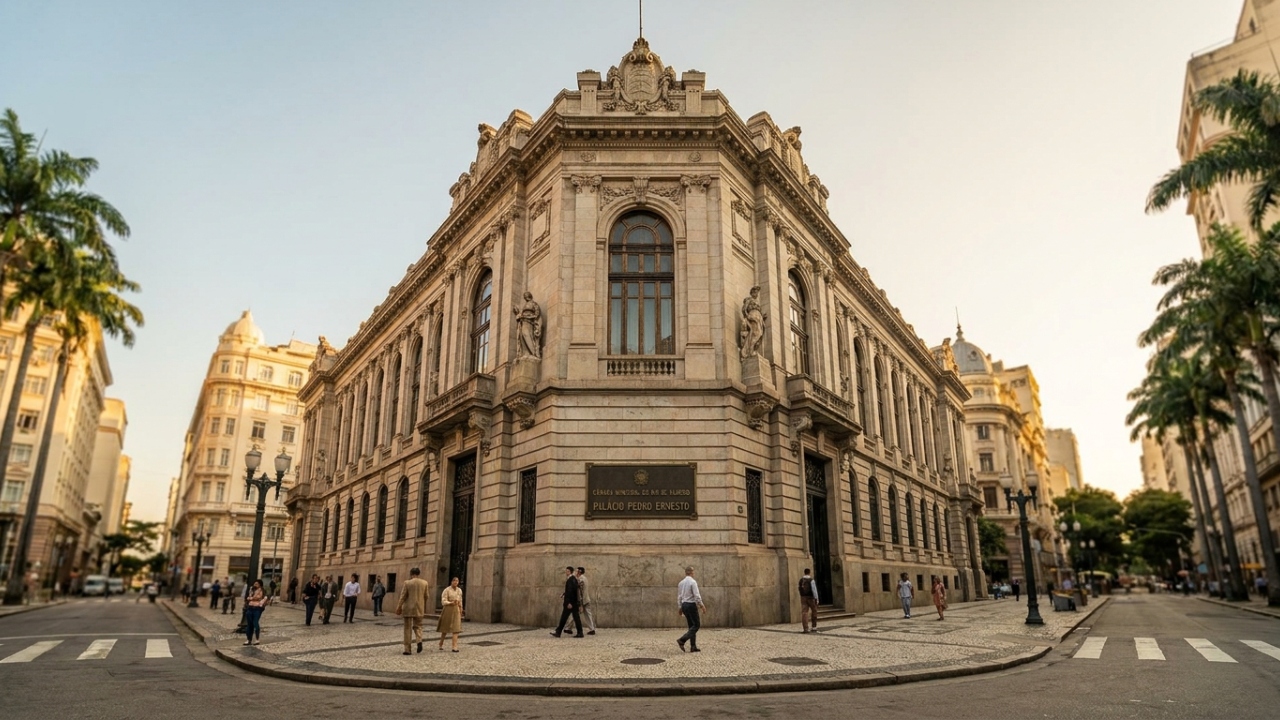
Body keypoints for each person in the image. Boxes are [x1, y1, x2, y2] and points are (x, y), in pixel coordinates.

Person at [397, 567, 430, 655]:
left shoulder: (407, 583)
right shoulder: (425, 583)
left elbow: (403, 596)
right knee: (418, 626)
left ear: (411, 574)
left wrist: (399, 607)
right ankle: (419, 640)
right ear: (418, 574)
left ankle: (407, 649)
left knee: (407, 628)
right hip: (420, 607)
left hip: (408, 608)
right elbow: (426, 596)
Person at [676, 566, 705, 652]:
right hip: (691, 605)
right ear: (692, 572)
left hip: (684, 605)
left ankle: (693, 646)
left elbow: (679, 597)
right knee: (696, 625)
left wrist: (680, 607)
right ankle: (682, 640)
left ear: (686, 573)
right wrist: (702, 605)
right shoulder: (693, 582)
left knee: (691, 626)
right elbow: (696, 596)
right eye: (693, 572)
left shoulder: (681, 583)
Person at [550, 566, 584, 638]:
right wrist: (564, 594)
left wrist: (569, 602)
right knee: (574, 617)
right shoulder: (573, 579)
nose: (566, 572)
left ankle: (559, 632)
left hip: (570, 603)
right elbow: (570, 591)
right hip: (573, 602)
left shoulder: (571, 580)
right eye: (566, 571)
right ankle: (579, 632)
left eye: (567, 571)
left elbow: (571, 592)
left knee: (565, 617)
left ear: (570, 572)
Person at [437, 576, 464, 652]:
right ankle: (441, 643)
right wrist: (450, 603)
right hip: (448, 609)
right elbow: (443, 600)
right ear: (451, 581)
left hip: (456, 609)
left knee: (456, 628)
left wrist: (461, 608)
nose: (456, 582)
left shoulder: (459, 590)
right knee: (445, 628)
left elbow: (460, 600)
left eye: (457, 581)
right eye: (454, 581)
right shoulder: (447, 590)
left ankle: (454, 646)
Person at [244, 580, 267, 646]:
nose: (255, 585)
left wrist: (251, 598)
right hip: (250, 607)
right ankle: (249, 639)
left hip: (257, 608)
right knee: (249, 624)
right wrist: (251, 598)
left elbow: (258, 597)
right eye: (254, 584)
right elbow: (247, 597)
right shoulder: (251, 590)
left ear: (260, 584)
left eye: (256, 584)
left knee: (255, 622)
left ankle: (257, 639)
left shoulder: (261, 590)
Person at [576, 567, 596, 635]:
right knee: (588, 615)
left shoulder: (581, 579)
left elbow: (581, 591)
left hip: (583, 600)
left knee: (575, 614)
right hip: (586, 599)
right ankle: (592, 629)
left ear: (579, 571)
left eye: (577, 571)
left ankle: (567, 628)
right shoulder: (584, 578)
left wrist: (581, 602)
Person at [799, 568, 819, 633]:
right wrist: (816, 598)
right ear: (809, 572)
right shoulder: (811, 580)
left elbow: (799, 588)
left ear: (804, 572)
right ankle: (814, 627)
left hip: (803, 597)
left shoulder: (801, 580)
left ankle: (805, 628)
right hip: (811, 598)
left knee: (804, 612)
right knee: (814, 611)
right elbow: (814, 590)